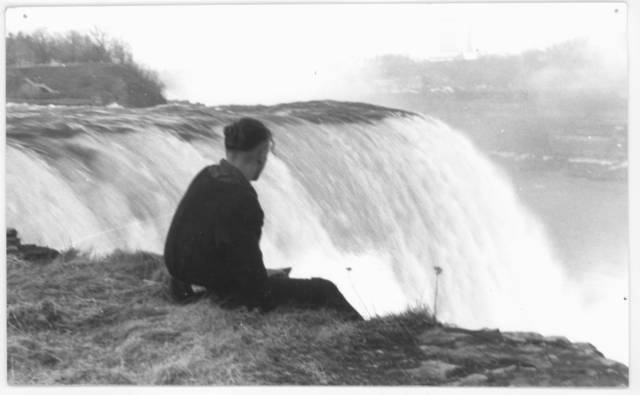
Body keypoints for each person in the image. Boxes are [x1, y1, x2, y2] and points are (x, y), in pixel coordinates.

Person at [164, 117, 360, 318]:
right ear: (261, 154)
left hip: (181, 282)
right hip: (207, 289)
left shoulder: (207, 175)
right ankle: (366, 334)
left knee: (276, 275)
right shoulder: (242, 198)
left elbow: (223, 247)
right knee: (324, 289)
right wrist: (268, 282)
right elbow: (254, 288)